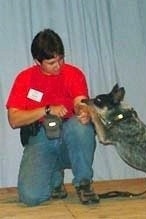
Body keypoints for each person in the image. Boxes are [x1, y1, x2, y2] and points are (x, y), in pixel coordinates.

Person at [6, 28, 99, 206]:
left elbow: (80, 101)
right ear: (37, 61)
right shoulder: (24, 78)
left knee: (81, 128)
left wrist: (83, 111)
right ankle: (54, 179)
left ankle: (84, 183)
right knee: (30, 197)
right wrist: (46, 110)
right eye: (51, 62)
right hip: (41, 136)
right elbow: (14, 119)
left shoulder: (73, 73)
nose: (58, 65)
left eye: (60, 59)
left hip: (68, 134)